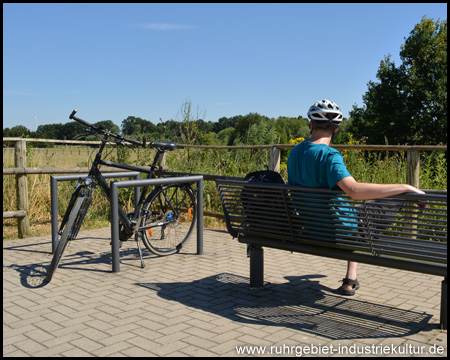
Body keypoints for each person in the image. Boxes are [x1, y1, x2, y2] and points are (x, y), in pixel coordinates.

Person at [287, 99, 426, 296]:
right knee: (385, 201)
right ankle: (407, 191)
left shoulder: (294, 153)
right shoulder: (329, 155)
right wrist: (406, 187)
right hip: (340, 233)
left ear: (311, 125)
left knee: (358, 213)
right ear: (336, 129)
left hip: (312, 230)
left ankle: (350, 281)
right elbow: (354, 190)